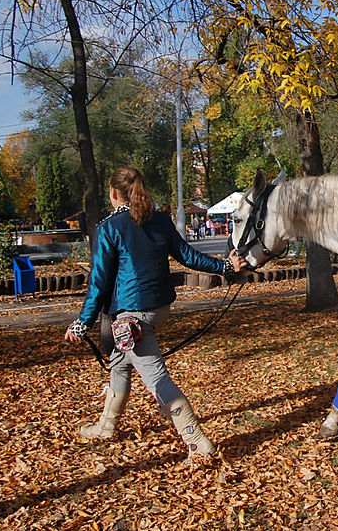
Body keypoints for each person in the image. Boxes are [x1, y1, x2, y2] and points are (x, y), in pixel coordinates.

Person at [64, 166, 247, 457]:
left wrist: (81, 323)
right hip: (159, 309)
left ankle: (197, 442)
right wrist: (224, 266)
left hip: (131, 317)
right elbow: (188, 256)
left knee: (157, 379)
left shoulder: (109, 228)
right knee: (120, 363)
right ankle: (106, 426)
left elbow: (98, 281)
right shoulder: (159, 220)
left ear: (113, 193)